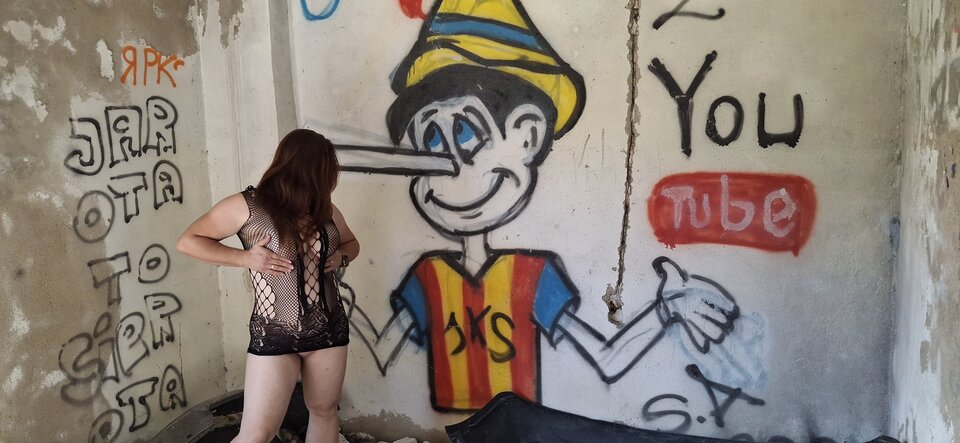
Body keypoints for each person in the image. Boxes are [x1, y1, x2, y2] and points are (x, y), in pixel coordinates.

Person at [176, 129, 359, 443]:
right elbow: (188, 241)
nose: (330, 179)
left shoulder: (325, 209)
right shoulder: (247, 206)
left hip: (329, 329)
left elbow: (352, 243)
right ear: (309, 168)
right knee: (257, 433)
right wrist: (244, 258)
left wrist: (341, 256)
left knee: (325, 411)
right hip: (275, 333)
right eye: (326, 169)